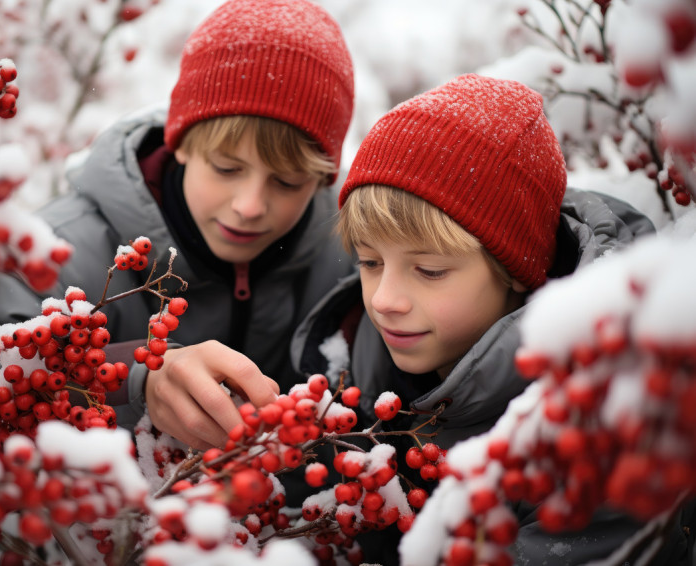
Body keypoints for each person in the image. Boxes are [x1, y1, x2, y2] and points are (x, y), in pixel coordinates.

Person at [290, 74, 689, 565]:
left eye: (429, 270)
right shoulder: (351, 366)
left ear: (516, 272)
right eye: (370, 263)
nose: (385, 300)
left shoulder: (597, 440)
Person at [0, 0, 356, 449]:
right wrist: (134, 380)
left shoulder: (356, 261)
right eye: (227, 168)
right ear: (181, 143)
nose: (250, 206)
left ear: (321, 180)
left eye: (287, 182)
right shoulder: (54, 255)